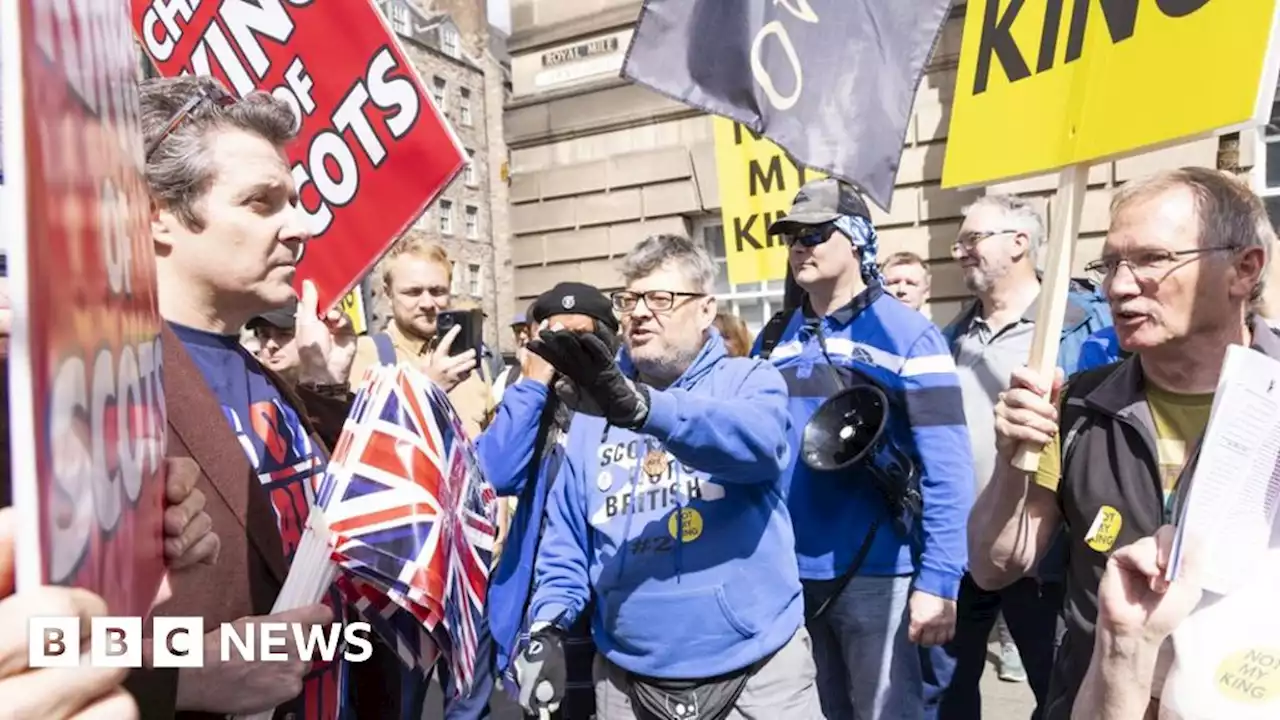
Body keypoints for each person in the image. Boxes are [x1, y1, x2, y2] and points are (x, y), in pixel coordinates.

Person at [124, 75, 396, 718]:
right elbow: (41, 644)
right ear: (157, 215)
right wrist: (177, 681)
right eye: (260, 203)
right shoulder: (83, 390)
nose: (301, 226)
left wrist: (327, 393)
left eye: (294, 201)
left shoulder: (268, 374)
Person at [968, 167, 1275, 720]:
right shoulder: (1077, 406)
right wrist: (1012, 460)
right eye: (1110, 263)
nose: (1119, 286)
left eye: (1153, 259)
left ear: (1243, 269)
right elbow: (997, 565)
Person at [515, 234, 820, 719]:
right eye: (630, 300)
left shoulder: (748, 380)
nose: (639, 312)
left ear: (705, 310)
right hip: (627, 682)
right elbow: (567, 545)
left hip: (758, 679)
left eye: (661, 299)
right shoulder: (592, 416)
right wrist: (547, 625)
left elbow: (758, 447)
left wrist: (645, 410)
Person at [755, 178, 973, 720]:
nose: (800, 246)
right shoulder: (773, 336)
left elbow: (948, 468)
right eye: (793, 236)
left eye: (816, 233)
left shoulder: (909, 335)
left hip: (878, 574)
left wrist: (940, 581)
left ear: (854, 239)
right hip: (786, 574)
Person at [933, 195, 1074, 717]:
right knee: (948, 694)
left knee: (1059, 692)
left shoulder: (1074, 327)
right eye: (960, 242)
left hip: (1044, 555)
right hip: (962, 549)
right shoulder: (951, 339)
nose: (961, 252)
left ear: (1019, 244)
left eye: (973, 239)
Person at [485, 282, 618, 720]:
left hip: (611, 609)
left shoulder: (627, 405)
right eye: (553, 336)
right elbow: (495, 473)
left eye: (579, 337)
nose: (565, 350)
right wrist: (533, 382)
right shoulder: (530, 402)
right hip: (544, 609)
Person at [350, 242, 501, 439]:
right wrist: (427, 389)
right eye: (413, 292)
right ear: (388, 293)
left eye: (437, 291)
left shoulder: (472, 364)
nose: (427, 304)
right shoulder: (365, 355)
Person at [248, 299, 301, 385]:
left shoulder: (325, 387)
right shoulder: (249, 390)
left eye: (284, 334)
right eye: (264, 335)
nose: (270, 345)